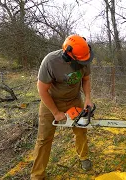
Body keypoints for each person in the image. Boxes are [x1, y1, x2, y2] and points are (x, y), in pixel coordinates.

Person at [31, 34, 94, 179]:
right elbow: (42, 90)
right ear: (68, 55)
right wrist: (55, 112)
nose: (83, 63)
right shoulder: (51, 62)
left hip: (74, 99)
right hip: (51, 101)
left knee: (81, 131)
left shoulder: (84, 57)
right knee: (44, 138)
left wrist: (88, 98)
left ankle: (83, 157)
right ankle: (37, 175)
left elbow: (86, 79)